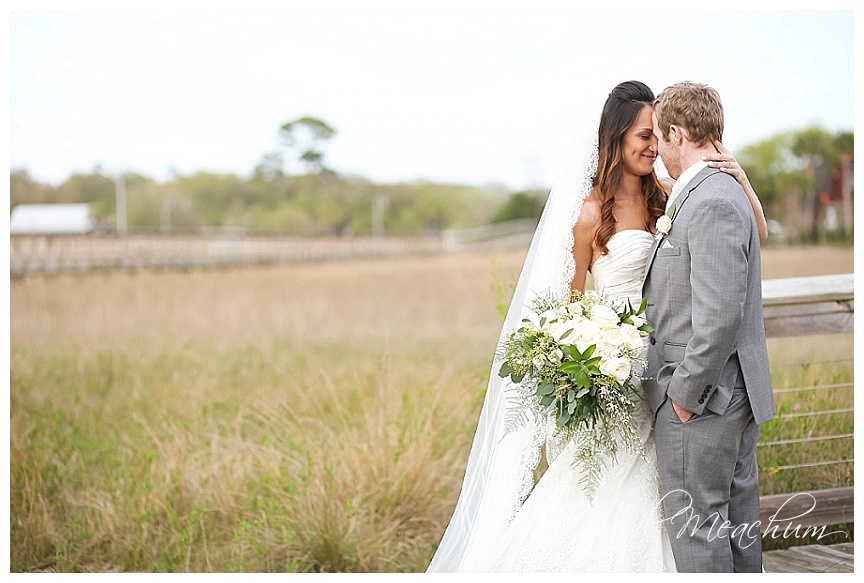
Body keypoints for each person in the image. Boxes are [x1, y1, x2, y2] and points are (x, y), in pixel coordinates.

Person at [426, 80, 768, 573]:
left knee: (686, 500)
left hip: (675, 367)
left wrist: (743, 181)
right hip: (621, 370)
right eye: (642, 137)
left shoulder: (673, 197)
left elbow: (748, 233)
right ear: (615, 140)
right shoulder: (588, 213)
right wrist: (591, 358)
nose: (653, 147)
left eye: (657, 136)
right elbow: (568, 307)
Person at [642, 81, 776, 573]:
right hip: (728, 394)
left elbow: (719, 316)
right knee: (735, 526)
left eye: (658, 137)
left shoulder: (712, 199)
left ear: (677, 133)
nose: (655, 150)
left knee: (699, 531)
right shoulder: (714, 189)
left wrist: (683, 395)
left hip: (706, 400)